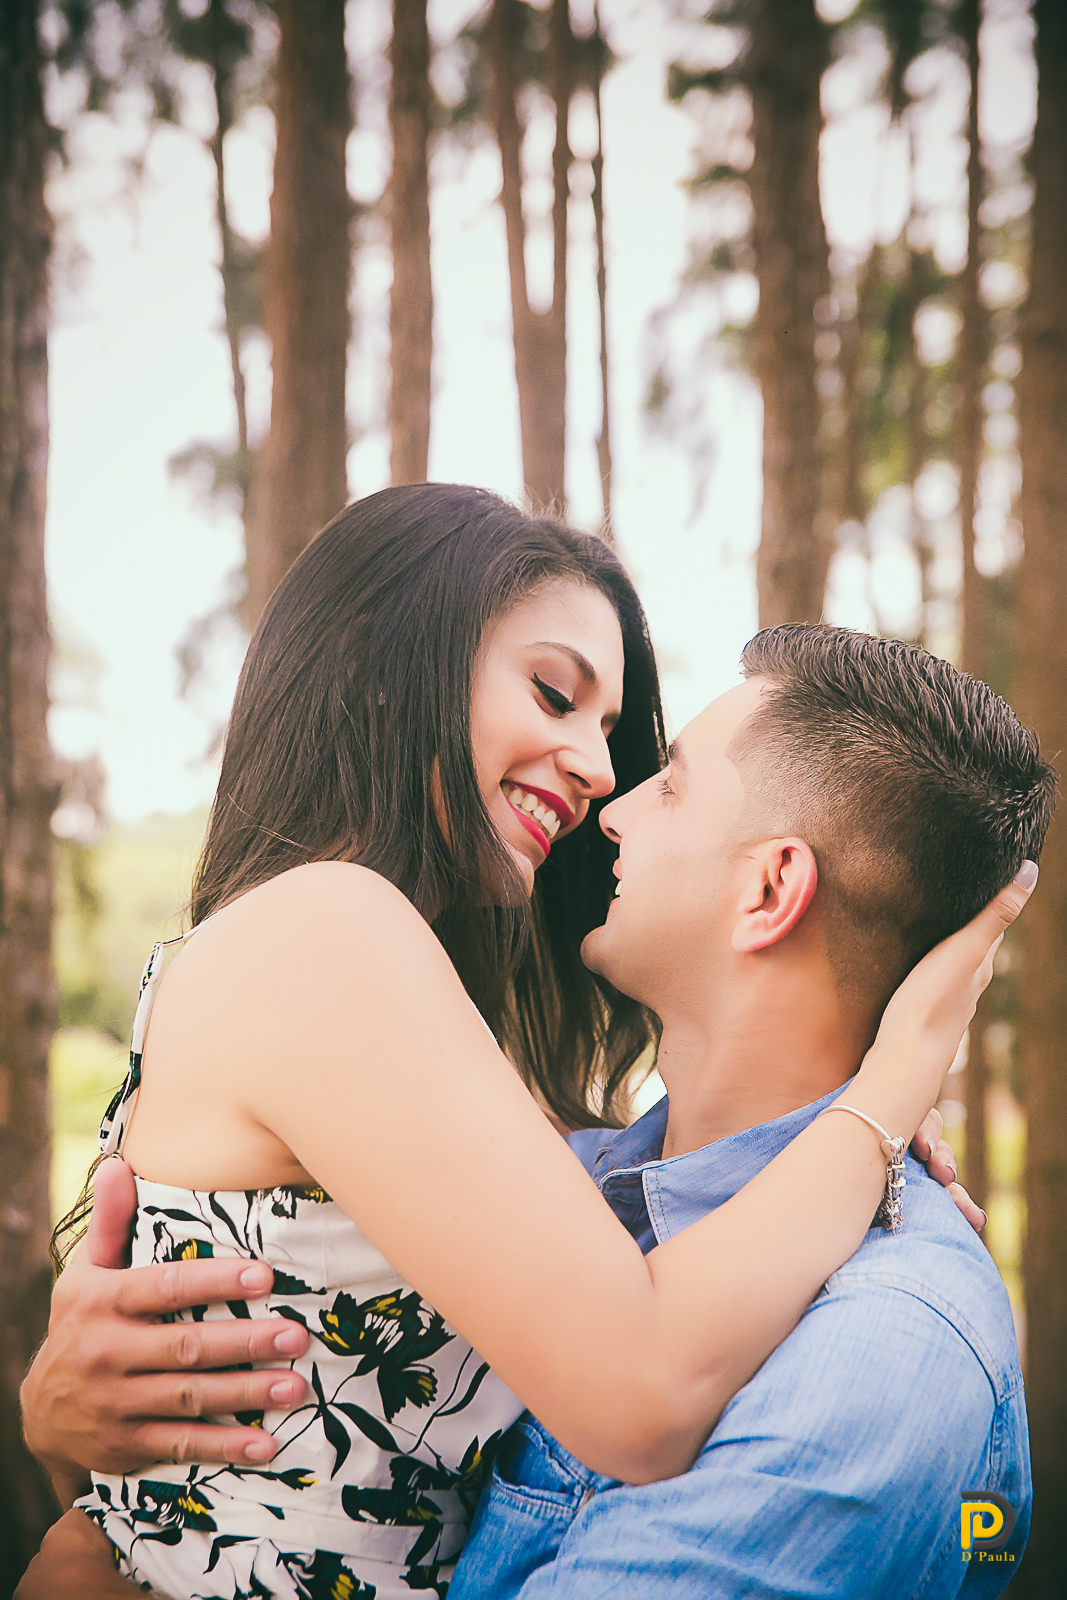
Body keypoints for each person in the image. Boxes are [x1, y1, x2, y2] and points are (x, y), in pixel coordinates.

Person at [17, 484, 1022, 1599]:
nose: (600, 773)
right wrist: (882, 1090)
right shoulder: (325, 930)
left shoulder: (439, 1042)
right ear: (385, 664)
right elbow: (639, 1387)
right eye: (554, 692)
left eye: (610, 730)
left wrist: (60, 1438)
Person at [442, 624, 1050, 1600]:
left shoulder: (885, 1350)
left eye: (672, 784)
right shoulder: (558, 1182)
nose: (614, 809)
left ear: (768, 888)